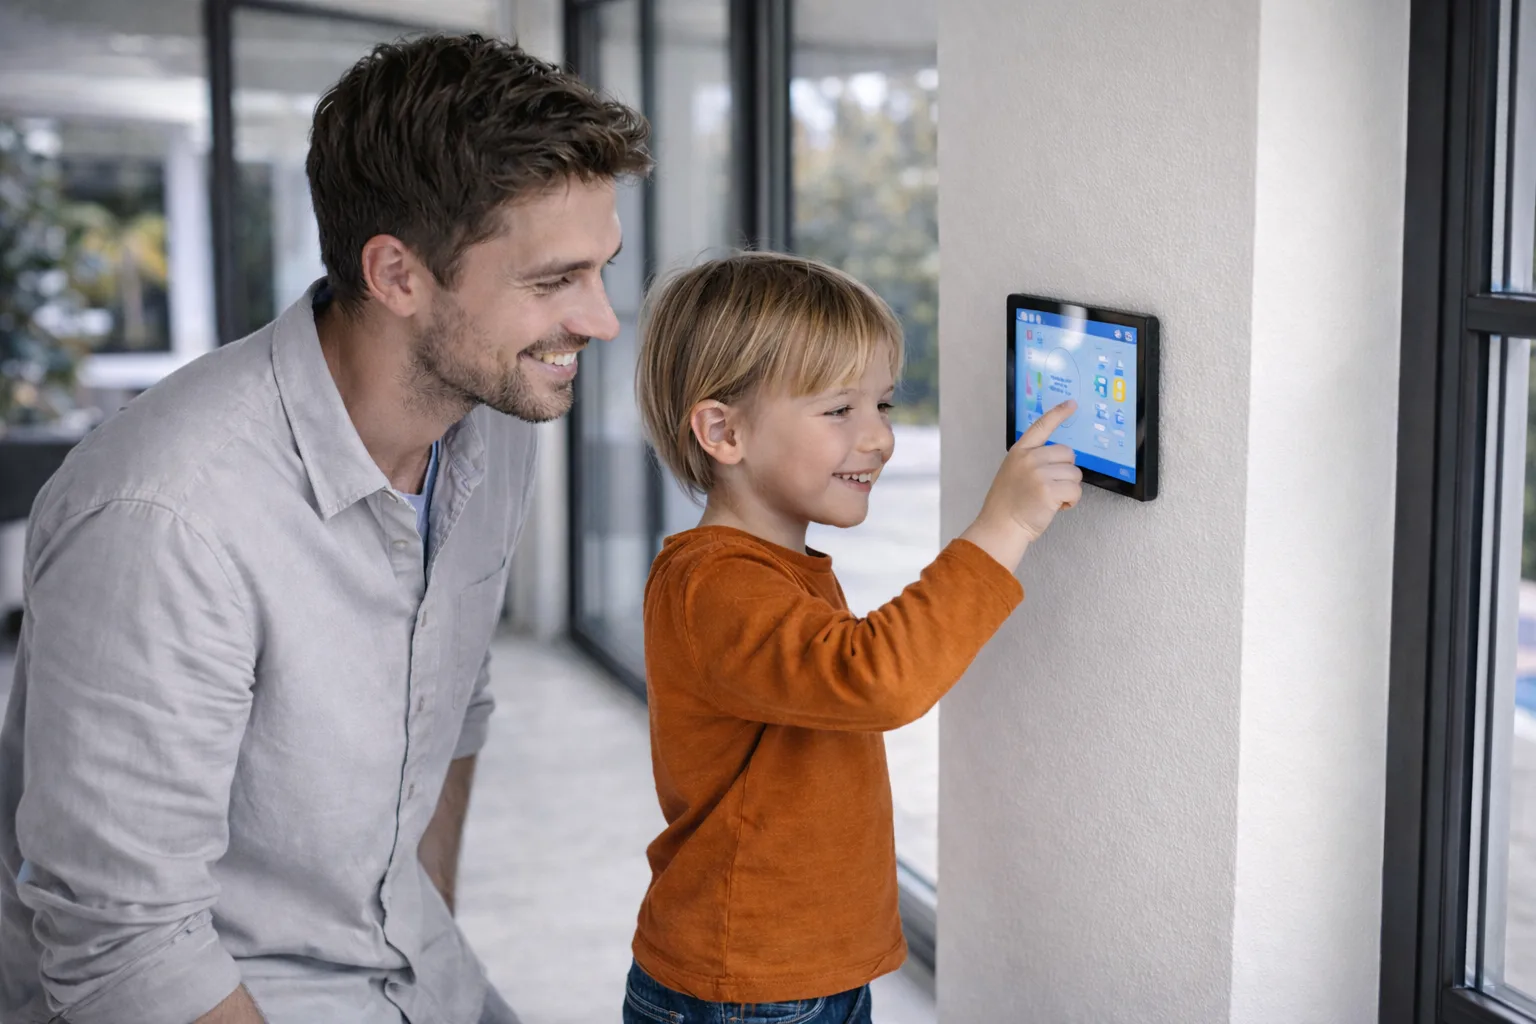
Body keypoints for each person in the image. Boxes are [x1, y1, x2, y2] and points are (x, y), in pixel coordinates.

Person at [0, 35, 649, 1024]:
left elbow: (450, 706)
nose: (601, 321)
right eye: (554, 280)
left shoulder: (489, 428)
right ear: (396, 274)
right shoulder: (164, 516)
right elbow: (126, 948)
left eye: (601, 270)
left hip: (416, 975)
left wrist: (430, 962)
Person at [625, 252, 1081, 1020]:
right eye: (840, 411)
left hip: (800, 973)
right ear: (722, 431)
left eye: (885, 406)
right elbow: (876, 676)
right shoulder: (716, 586)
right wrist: (1002, 527)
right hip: (747, 989)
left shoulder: (774, 567)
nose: (878, 439)